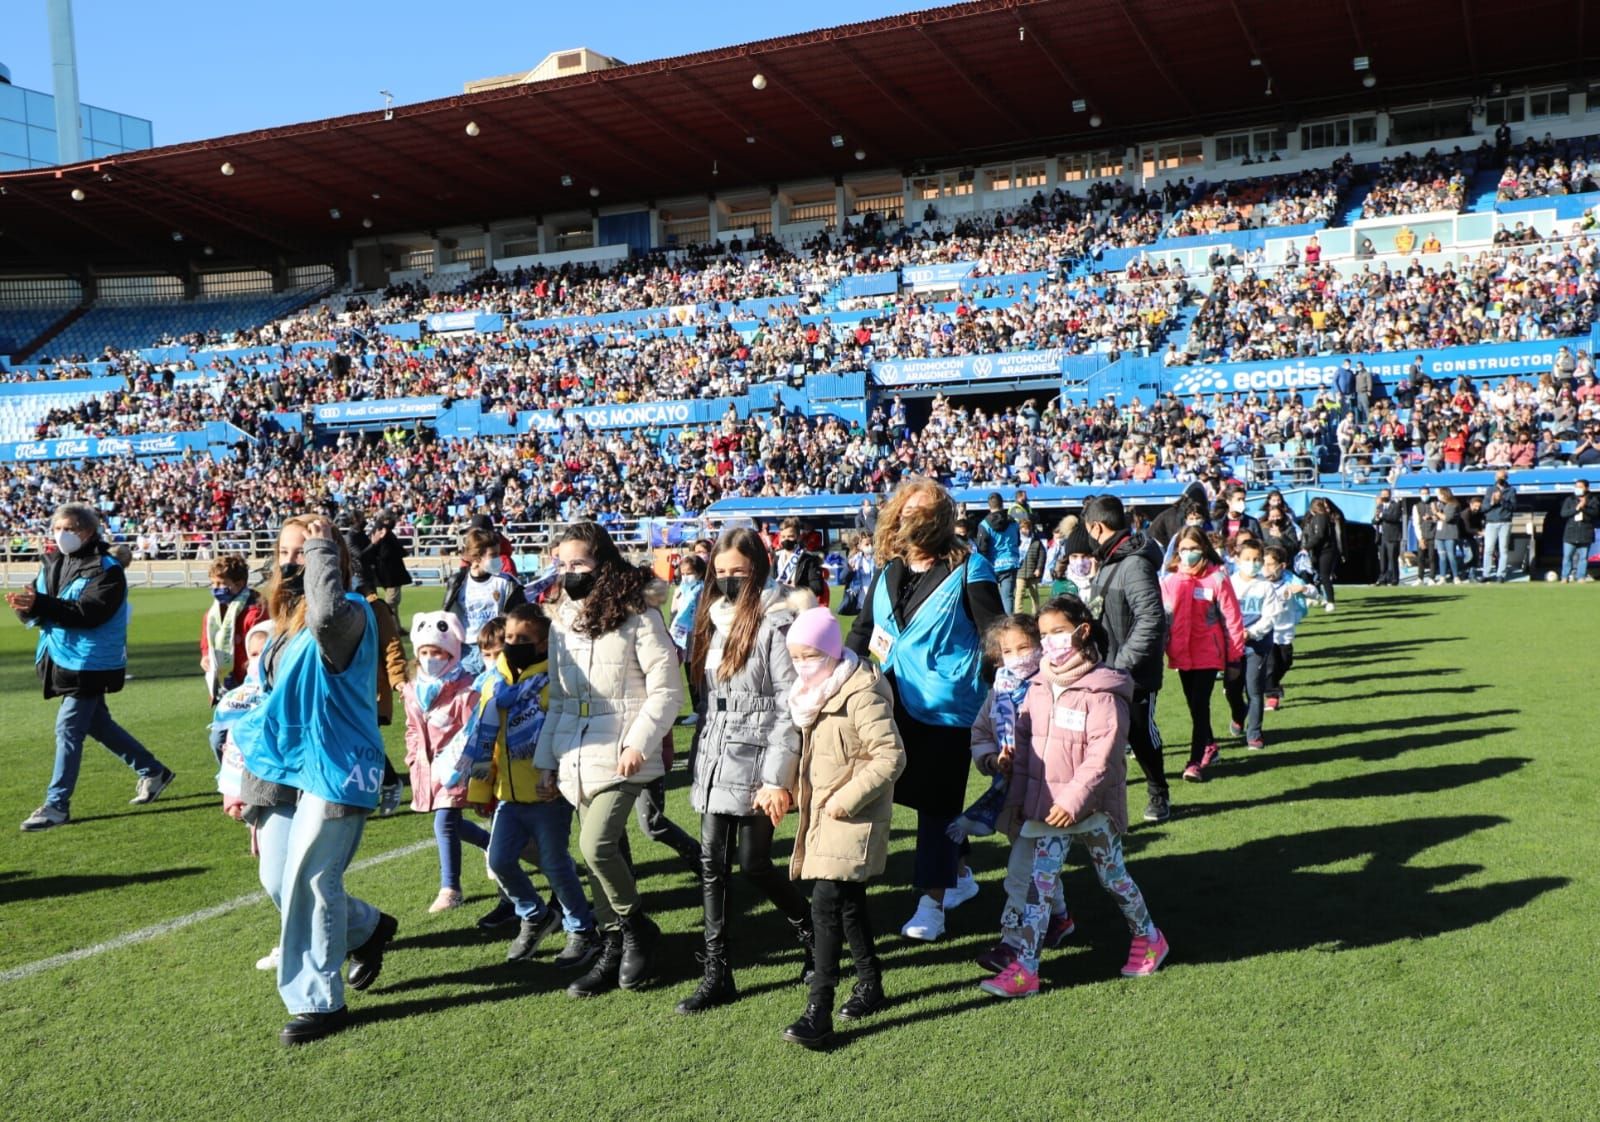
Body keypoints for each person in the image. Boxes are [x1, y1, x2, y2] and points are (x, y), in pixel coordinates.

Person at [230, 515, 397, 1046]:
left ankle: (318, 1002)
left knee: (311, 880)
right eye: (286, 550)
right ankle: (368, 928)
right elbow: (257, 701)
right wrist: (236, 776)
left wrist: (324, 546)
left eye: (305, 551)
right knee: (278, 881)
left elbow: (325, 617)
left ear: (330, 559)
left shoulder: (353, 615)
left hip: (335, 763)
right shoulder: (278, 626)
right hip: (281, 766)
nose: (292, 560)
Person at [978, 595, 1167, 998]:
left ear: (1082, 631)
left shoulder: (1103, 689)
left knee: (1113, 877)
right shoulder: (1040, 686)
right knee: (1038, 886)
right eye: (1043, 635)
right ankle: (1025, 969)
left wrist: (1073, 801)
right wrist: (1024, 799)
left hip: (1090, 809)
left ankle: (1149, 937)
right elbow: (1028, 747)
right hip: (1048, 808)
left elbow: (1104, 755)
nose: (1050, 642)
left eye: (1058, 632)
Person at [844, 480, 1004, 943]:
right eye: (907, 510)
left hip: (949, 708)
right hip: (890, 700)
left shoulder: (971, 567)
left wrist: (1007, 697)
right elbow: (863, 630)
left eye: (926, 512)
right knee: (905, 791)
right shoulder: (889, 569)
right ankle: (962, 873)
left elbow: (994, 635)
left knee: (937, 803)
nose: (915, 519)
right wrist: (832, 678)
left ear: (942, 520)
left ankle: (931, 903)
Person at [535, 521, 683, 998]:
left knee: (595, 845)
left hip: (623, 749)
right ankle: (614, 944)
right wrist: (546, 758)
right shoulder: (562, 619)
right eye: (563, 563)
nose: (570, 571)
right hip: (575, 751)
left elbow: (666, 688)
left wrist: (639, 740)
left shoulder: (641, 614)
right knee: (607, 854)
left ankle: (638, 930)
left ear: (604, 562)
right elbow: (558, 697)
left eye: (580, 562)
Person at [676, 528, 813, 1014]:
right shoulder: (711, 618)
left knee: (754, 863)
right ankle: (717, 970)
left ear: (759, 569)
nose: (730, 580)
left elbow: (787, 702)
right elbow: (710, 698)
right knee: (712, 863)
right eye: (723, 572)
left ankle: (812, 931)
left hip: (758, 754)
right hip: (718, 750)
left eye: (740, 571)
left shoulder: (775, 621)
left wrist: (777, 776)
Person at [776, 607, 905, 1049]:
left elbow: (890, 756)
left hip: (852, 816)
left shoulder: (861, 690)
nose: (801, 663)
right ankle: (871, 985)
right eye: (795, 655)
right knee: (846, 905)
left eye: (809, 654)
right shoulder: (809, 692)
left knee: (826, 907)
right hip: (822, 816)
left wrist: (844, 799)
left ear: (830, 651)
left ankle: (820, 1010)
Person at [448, 604, 601, 968]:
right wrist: (481, 791)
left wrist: (561, 779)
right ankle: (534, 914)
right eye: (509, 638)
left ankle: (582, 929)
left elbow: (566, 735)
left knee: (554, 862)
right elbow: (486, 741)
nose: (512, 645)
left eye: (523, 639)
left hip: (547, 795)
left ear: (544, 642)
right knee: (499, 859)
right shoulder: (494, 682)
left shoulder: (555, 682)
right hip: (508, 796)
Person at [12, 503, 175, 832]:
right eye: (57, 528)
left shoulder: (107, 568)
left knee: (69, 727)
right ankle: (153, 771)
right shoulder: (50, 564)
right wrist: (26, 608)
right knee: (97, 724)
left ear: (88, 532)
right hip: (63, 657)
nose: (62, 535)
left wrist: (41, 604)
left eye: (69, 528)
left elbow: (90, 613)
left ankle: (57, 805)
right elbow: (42, 605)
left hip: (92, 661)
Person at [966, 615, 1066, 975]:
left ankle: (1012, 943)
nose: (1017, 656)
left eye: (1024, 647)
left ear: (1039, 645)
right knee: (1040, 865)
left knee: (1020, 872)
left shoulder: (1056, 684)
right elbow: (980, 733)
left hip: (1051, 795)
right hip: (1012, 795)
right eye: (1007, 650)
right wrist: (994, 759)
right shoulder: (1000, 689)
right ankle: (1059, 918)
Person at [1081, 495, 1171, 823]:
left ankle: (1158, 792)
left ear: (1097, 527)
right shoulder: (1112, 560)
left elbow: (1151, 619)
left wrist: (1122, 664)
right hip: (1106, 669)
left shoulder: (1133, 563)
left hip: (1133, 673)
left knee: (1140, 735)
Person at [401, 612, 486, 914]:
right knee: (452, 823)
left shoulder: (465, 689)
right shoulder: (412, 691)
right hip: (427, 768)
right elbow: (412, 728)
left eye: (436, 652)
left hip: (456, 768)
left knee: (445, 821)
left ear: (450, 653)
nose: (430, 658)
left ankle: (451, 888)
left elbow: (475, 730)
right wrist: (413, 756)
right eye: (424, 653)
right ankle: (490, 845)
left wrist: (469, 768)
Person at [1160, 527, 1244, 784]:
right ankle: (1209, 745)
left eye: (1193, 549)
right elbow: (1164, 618)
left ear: (1204, 549)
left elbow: (1232, 618)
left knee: (1199, 705)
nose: (1188, 554)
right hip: (1182, 654)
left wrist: (1235, 655)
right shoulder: (1170, 580)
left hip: (1209, 652)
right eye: (1183, 549)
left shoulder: (1217, 578)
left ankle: (1194, 762)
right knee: (1193, 705)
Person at [1224, 540, 1283, 751]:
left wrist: (1251, 632)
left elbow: (1270, 616)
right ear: (1237, 560)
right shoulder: (1228, 583)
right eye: (1247, 559)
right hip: (1231, 645)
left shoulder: (1265, 586)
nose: (1252, 563)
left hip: (1256, 645)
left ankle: (1254, 734)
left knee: (1254, 689)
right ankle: (1239, 714)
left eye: (1257, 559)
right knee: (1231, 689)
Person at [444, 528, 527, 676]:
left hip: (497, 649)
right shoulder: (458, 582)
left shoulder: (507, 582)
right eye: (493, 555)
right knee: (470, 696)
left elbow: (520, 617)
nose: (499, 559)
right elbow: (447, 615)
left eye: (499, 554)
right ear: (476, 557)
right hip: (467, 652)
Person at [201, 554, 268, 706]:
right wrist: (205, 656)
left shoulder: (256, 612)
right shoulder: (213, 613)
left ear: (239, 584)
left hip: (251, 685)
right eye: (213, 584)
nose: (216, 589)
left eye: (221, 584)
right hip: (224, 685)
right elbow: (207, 640)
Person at [1261, 546, 1308, 710]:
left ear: (1282, 566)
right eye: (1263, 563)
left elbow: (1312, 592)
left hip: (1286, 631)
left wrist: (1303, 589)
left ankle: (1272, 685)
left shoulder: (1290, 580)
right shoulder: (1259, 582)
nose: (1266, 568)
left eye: (1270, 564)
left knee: (1286, 661)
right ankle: (1272, 695)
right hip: (1267, 631)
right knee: (1271, 665)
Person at [974, 492, 1022, 610]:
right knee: (1008, 597)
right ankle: (1009, 625)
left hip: (992, 564)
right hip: (1011, 561)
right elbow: (1018, 541)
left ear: (989, 506)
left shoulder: (984, 525)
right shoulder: (1013, 522)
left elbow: (982, 548)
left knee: (991, 597)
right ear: (1002, 503)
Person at [362, 512, 413, 614]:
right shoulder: (382, 533)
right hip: (390, 574)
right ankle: (390, 627)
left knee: (393, 603)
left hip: (388, 574)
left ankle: (397, 628)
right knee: (391, 603)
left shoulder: (382, 532)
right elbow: (386, 554)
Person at [774, 517, 829, 603]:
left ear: (798, 537)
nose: (786, 540)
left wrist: (795, 589)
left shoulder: (808, 559)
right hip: (780, 606)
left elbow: (818, 588)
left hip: (801, 606)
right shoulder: (776, 558)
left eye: (790, 536)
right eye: (783, 537)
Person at [1301, 497, 1343, 611]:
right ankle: (1318, 597)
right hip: (1320, 550)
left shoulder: (1321, 517)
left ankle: (1330, 601)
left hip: (1326, 550)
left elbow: (1319, 535)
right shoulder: (1317, 518)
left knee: (1324, 576)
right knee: (1316, 574)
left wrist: (1306, 547)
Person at [1559, 479, 1598, 582]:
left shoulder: (1593, 499)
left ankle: (1581, 577)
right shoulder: (1569, 499)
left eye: (1580, 487)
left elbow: (1595, 513)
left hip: (1585, 532)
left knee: (1583, 557)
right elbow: (1563, 514)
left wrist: (1584, 507)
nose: (1578, 489)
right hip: (1570, 532)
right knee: (1567, 556)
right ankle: (1564, 577)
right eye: (1576, 486)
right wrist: (1576, 508)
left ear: (1586, 488)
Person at [1481, 471, 1517, 582]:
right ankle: (1486, 574)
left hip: (1505, 522)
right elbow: (1484, 508)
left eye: (1502, 477)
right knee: (1488, 549)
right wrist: (1492, 502)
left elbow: (1513, 507)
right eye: (1498, 477)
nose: (1500, 479)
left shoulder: (1511, 490)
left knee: (1503, 549)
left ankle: (1500, 574)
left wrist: (1502, 500)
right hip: (1491, 522)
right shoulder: (1490, 490)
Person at [1014, 517, 1045, 614]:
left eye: (1027, 528)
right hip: (1020, 571)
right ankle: (1018, 614)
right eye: (1023, 528)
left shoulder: (1036, 541)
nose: (1026, 530)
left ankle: (1036, 613)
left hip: (1033, 572)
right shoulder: (1016, 540)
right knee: (1019, 594)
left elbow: (1042, 555)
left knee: (1034, 594)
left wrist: (1039, 568)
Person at [1374, 489, 1404, 587]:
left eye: (1386, 495)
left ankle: (1394, 579)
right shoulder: (1380, 506)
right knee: (1382, 559)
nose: (1384, 496)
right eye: (1382, 494)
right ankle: (1383, 578)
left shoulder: (1396, 506)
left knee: (1392, 559)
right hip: (1382, 536)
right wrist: (1376, 518)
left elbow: (1394, 517)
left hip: (1392, 536)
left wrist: (1382, 515)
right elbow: (1374, 520)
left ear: (1390, 495)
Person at [1433, 487, 1464, 584]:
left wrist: (1436, 512)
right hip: (1440, 534)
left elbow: (1447, 518)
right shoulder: (1441, 505)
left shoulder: (1453, 505)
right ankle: (1442, 577)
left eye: (1440, 494)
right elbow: (1438, 518)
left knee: (1451, 556)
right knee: (1441, 556)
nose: (1438, 496)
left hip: (1450, 534)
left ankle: (1455, 576)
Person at [1412, 487, 1438, 586]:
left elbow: (1438, 518)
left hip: (1433, 535)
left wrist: (1431, 517)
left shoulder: (1434, 504)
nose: (1425, 495)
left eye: (1426, 493)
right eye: (1423, 493)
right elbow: (1416, 523)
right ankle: (1420, 578)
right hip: (1422, 535)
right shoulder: (1416, 506)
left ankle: (1432, 577)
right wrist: (1420, 538)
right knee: (1421, 557)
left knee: (1432, 557)